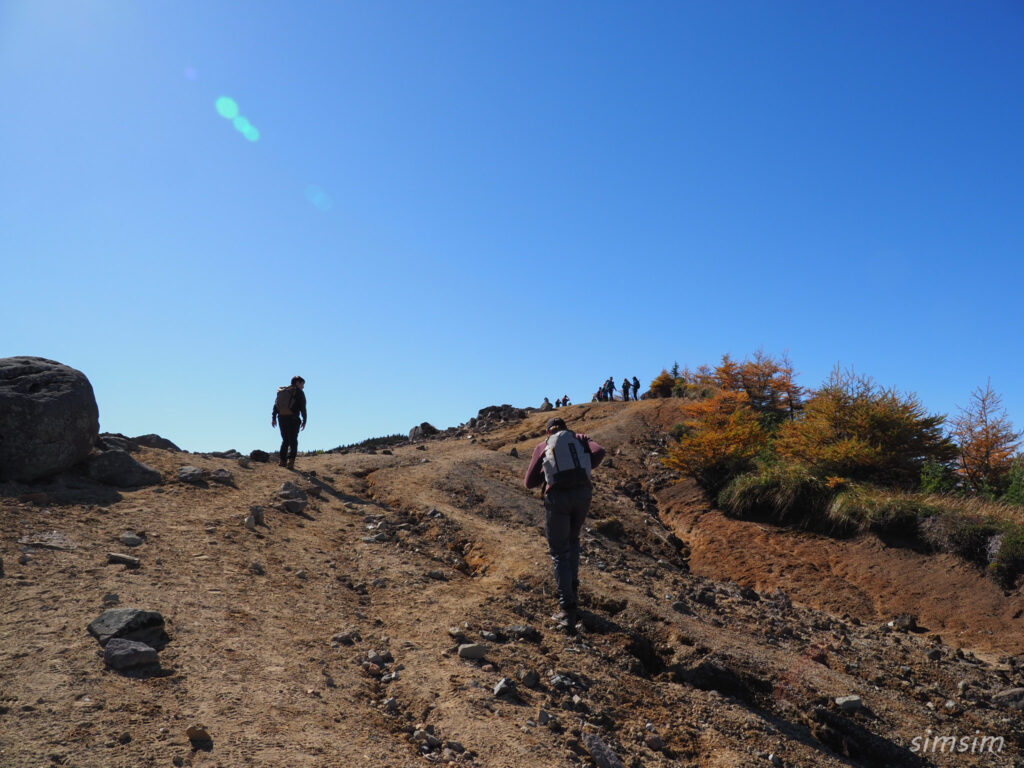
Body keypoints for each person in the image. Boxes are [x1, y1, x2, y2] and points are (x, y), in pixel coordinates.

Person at [524, 416, 606, 633]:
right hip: (583, 494)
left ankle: (567, 610)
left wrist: (550, 474)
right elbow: (599, 452)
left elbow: (529, 482)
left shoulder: (543, 446)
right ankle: (573, 591)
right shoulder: (579, 439)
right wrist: (583, 470)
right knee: (573, 541)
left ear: (548, 431)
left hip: (558, 498)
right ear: (567, 429)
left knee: (559, 552)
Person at [272, 376, 307, 469]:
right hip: (293, 419)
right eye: (302, 384)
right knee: (293, 441)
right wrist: (304, 420)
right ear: (297, 383)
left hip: (281, 418)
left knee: (285, 440)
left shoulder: (282, 391)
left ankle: (282, 461)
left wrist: (273, 418)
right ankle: (291, 462)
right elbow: (303, 407)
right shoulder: (299, 393)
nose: (303, 386)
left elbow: (276, 405)